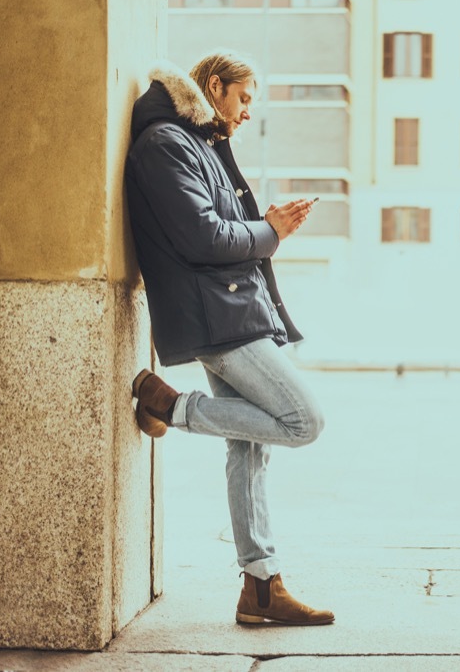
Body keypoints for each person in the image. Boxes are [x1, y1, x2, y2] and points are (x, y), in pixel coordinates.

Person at [125, 52, 334, 626]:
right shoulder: (167, 144)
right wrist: (272, 231)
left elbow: (216, 230)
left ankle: (260, 587)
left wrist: (265, 229)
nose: (246, 113)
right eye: (243, 99)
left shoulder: (196, 143)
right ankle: (172, 405)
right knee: (303, 420)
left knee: (249, 450)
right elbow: (203, 239)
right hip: (219, 317)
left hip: (231, 307)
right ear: (213, 87)